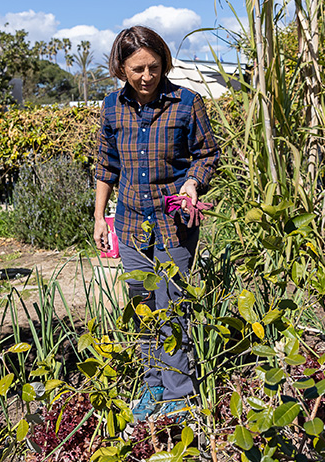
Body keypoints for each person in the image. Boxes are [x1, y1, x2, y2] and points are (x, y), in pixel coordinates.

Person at [93, 26, 219, 422]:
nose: (147, 76)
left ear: (164, 62)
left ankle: (181, 395)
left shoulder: (186, 102)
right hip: (130, 224)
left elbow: (207, 154)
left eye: (154, 66)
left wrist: (193, 183)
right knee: (144, 307)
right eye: (137, 69)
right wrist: (100, 216)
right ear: (121, 68)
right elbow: (106, 164)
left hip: (173, 223)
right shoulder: (112, 107)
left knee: (172, 306)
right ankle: (153, 387)